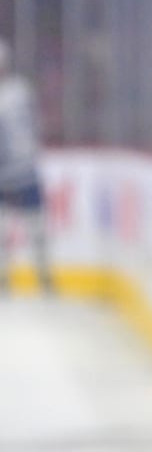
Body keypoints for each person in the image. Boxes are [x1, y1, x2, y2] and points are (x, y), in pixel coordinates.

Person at [0, 37, 51, 295]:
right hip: (19, 170)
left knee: (36, 227)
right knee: (21, 228)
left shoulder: (19, 91)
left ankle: (40, 277)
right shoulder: (22, 90)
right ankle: (14, 279)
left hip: (18, 171)